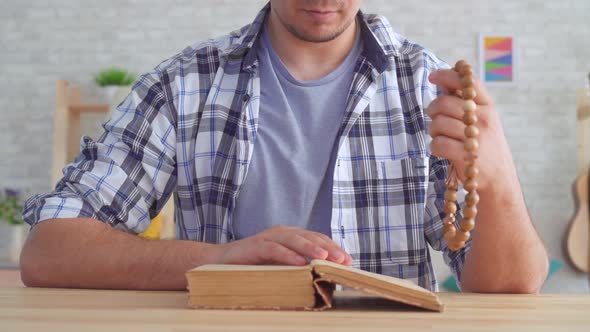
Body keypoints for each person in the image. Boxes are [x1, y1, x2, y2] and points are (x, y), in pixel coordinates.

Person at [20, 0, 548, 292]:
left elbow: (512, 285)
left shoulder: (425, 85)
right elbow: (50, 252)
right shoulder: (184, 83)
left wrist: (496, 177)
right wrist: (218, 260)